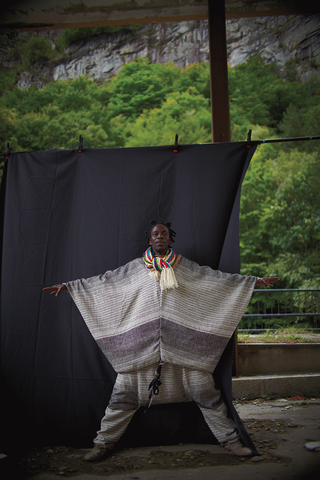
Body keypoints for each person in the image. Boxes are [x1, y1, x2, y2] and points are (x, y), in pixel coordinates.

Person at [44, 220, 279, 461]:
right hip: (140, 350)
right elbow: (107, 282)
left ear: (170, 238)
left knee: (208, 395)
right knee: (121, 399)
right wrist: (71, 287)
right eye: (155, 233)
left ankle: (230, 441)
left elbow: (214, 279)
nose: (159, 236)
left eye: (164, 233)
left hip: (184, 348)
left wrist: (251, 282)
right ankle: (102, 444)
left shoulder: (184, 267)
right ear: (149, 239)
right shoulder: (135, 269)